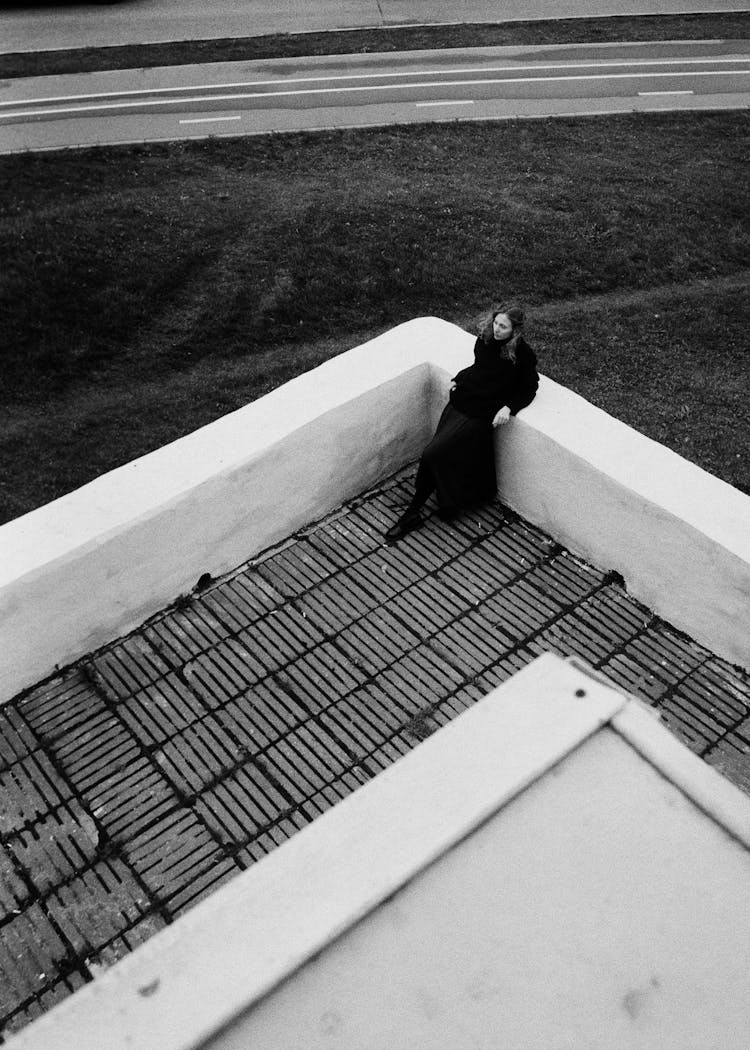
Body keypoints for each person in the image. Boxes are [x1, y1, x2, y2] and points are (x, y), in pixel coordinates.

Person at [384, 305, 539, 543]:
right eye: (496, 323)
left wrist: (509, 408)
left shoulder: (522, 355)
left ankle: (412, 513)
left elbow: (530, 387)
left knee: (433, 454)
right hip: (461, 403)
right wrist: (459, 378)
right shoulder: (486, 339)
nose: (497, 329)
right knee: (435, 455)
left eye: (503, 327)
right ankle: (426, 508)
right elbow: (480, 368)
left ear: (515, 330)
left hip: (481, 414)